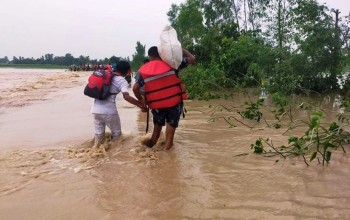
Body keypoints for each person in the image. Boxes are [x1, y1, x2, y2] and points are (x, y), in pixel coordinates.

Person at [133, 46, 195, 150]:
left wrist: (142, 101)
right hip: (174, 104)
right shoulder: (173, 64)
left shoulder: (144, 71)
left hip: (158, 106)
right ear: (162, 54)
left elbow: (135, 88)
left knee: (155, 135)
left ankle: (149, 151)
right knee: (169, 139)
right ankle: (167, 159)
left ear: (149, 56)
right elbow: (192, 59)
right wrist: (180, 48)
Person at [91, 60, 145, 148]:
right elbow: (126, 97)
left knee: (98, 138)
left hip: (95, 110)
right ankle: (114, 156)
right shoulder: (121, 80)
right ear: (127, 70)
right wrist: (140, 104)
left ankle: (96, 156)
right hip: (109, 112)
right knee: (117, 136)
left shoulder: (105, 76)